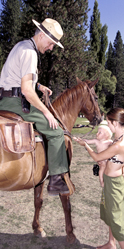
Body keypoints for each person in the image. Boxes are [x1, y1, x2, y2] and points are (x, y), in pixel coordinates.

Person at [0, 18, 70, 196]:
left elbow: (16, 75)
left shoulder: (21, 46)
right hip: (17, 103)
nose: (51, 48)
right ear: (41, 35)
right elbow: (26, 90)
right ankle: (55, 180)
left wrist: (39, 86)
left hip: (4, 99)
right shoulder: (30, 53)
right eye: (51, 43)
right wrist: (48, 113)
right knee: (56, 132)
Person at [74, 108, 124, 249]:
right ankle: (111, 243)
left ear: (114, 123)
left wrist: (86, 145)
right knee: (109, 213)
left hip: (114, 184)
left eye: (108, 122)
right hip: (108, 180)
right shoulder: (121, 138)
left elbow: (97, 157)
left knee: (117, 219)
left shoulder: (119, 144)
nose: (108, 125)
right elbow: (120, 159)